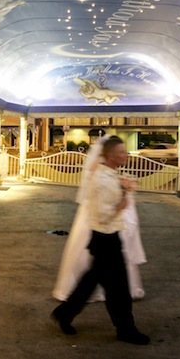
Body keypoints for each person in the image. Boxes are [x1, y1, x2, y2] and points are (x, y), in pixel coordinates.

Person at [51, 136, 150, 345]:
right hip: (106, 239)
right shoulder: (102, 180)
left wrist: (124, 188)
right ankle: (126, 329)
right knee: (119, 290)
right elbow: (104, 214)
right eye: (122, 152)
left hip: (107, 238)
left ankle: (65, 312)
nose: (126, 155)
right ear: (112, 156)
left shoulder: (109, 173)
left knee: (91, 282)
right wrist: (122, 203)